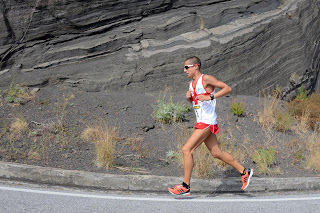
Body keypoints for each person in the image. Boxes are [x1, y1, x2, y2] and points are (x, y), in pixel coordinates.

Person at [168, 56, 253, 196]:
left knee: (186, 150)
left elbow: (227, 88)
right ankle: (245, 172)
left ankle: (185, 186)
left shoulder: (206, 79)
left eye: (186, 67)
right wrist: (190, 99)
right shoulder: (191, 84)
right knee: (216, 153)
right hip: (201, 121)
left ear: (195, 66)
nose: (184, 70)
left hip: (207, 122)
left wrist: (211, 97)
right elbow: (197, 104)